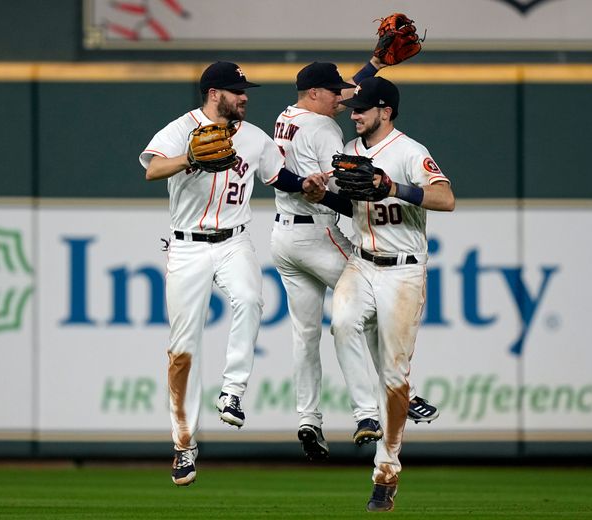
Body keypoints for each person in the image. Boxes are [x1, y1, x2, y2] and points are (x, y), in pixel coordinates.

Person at [139, 61, 322, 487]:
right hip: (186, 245)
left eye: (245, 91)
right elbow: (151, 169)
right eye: (237, 91)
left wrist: (308, 185)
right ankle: (184, 447)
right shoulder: (181, 129)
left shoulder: (255, 138)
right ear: (213, 93)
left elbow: (280, 176)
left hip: (234, 240)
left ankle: (232, 392)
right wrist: (188, 158)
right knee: (182, 349)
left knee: (251, 298)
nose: (245, 97)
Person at [272, 61, 440, 463]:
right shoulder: (326, 129)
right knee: (363, 300)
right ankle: (396, 397)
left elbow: (353, 94)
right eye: (335, 93)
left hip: (282, 235)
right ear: (315, 94)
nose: (344, 101)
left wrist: (374, 65)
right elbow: (349, 192)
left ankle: (308, 418)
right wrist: (325, 194)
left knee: (306, 333)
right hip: (318, 231)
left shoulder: (287, 116)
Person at [309, 76, 455, 512]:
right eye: (353, 108)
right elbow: (354, 203)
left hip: (403, 273)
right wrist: (324, 195)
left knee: (395, 376)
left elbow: (446, 199)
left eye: (362, 109)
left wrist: (392, 187)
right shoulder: (352, 153)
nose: (353, 114)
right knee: (343, 323)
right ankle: (365, 414)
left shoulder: (411, 152)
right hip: (363, 259)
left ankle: (386, 471)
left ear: (385, 111)